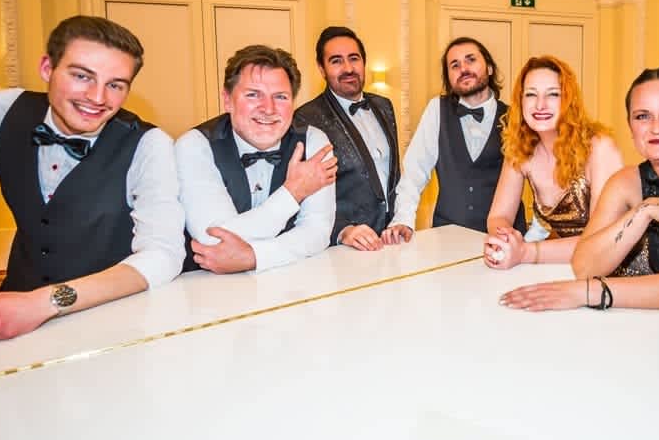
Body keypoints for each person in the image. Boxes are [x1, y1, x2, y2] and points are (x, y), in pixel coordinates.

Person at [0, 15, 185, 340]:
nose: (97, 98)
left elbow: (162, 254)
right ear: (47, 68)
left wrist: (46, 303)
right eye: (82, 76)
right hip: (16, 301)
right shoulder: (1, 112)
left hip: (112, 313)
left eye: (115, 85)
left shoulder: (149, 144)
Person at [500, 66, 659, 311]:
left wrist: (587, 293)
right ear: (630, 126)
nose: (657, 127)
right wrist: (645, 210)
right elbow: (585, 266)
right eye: (642, 116)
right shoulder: (627, 180)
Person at [175, 45, 337, 274]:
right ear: (227, 100)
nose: (268, 109)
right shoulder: (194, 145)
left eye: (280, 97)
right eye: (253, 95)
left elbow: (317, 232)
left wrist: (254, 257)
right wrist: (293, 192)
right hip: (206, 285)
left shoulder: (313, 142)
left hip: (290, 279)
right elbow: (214, 240)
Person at [483, 55, 623, 269]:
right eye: (531, 94)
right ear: (520, 101)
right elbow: (498, 216)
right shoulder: (520, 148)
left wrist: (525, 252)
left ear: (568, 100)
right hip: (567, 266)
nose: (540, 105)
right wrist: (504, 239)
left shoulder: (599, 147)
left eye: (553, 94)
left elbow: (600, 242)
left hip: (619, 269)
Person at [381, 37, 525, 243]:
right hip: (448, 237)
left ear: (490, 68)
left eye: (471, 60)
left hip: (504, 239)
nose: (463, 69)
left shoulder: (515, 118)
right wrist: (403, 219)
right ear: (448, 77)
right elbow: (414, 172)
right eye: (454, 65)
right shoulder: (437, 109)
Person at [293, 27, 400, 251]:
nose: (348, 68)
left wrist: (402, 218)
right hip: (346, 247)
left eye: (354, 58)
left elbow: (393, 174)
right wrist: (343, 230)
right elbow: (302, 194)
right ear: (321, 69)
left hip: (392, 240)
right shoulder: (306, 118)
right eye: (336, 61)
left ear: (364, 62)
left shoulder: (384, 106)